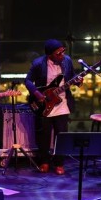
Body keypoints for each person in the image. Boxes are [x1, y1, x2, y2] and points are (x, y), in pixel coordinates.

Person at [24, 39, 81, 175]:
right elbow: (27, 80)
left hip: (61, 103)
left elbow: (72, 76)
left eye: (63, 52)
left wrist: (78, 81)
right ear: (50, 54)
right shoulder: (38, 64)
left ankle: (59, 163)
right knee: (44, 135)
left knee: (61, 135)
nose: (62, 55)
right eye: (58, 53)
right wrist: (37, 93)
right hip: (44, 103)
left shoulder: (67, 61)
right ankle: (44, 161)